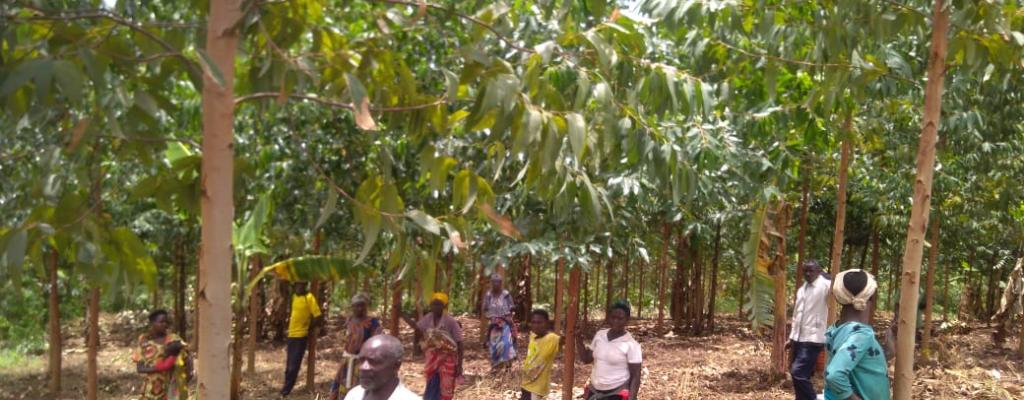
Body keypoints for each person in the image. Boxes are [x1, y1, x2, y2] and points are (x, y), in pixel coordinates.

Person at [824, 269, 890, 400]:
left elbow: (861, 362)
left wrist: (890, 350)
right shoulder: (861, 335)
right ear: (870, 299)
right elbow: (834, 375)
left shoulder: (837, 329)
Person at [577, 301, 642, 400]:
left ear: (627, 320)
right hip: (594, 390)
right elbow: (586, 359)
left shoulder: (632, 345)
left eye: (620, 318)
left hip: (616, 393)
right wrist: (578, 338)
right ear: (609, 318)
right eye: (613, 317)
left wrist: (632, 397)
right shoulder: (600, 335)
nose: (616, 321)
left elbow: (636, 375)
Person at [787, 260, 830, 400]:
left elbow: (836, 287)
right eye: (805, 270)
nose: (808, 273)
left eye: (812, 270)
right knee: (800, 375)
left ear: (818, 271)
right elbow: (796, 316)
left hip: (813, 338)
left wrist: (829, 276)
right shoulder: (802, 289)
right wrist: (791, 338)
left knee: (797, 372)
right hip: (799, 338)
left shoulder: (824, 286)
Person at [331, 293, 385, 400]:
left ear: (366, 306)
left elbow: (377, 341)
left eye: (362, 305)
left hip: (363, 362)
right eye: (357, 305)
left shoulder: (373, 322)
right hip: (347, 360)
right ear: (352, 307)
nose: (360, 308)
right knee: (342, 385)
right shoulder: (349, 321)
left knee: (361, 388)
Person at [414, 292, 464, 400]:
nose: (435, 307)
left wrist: (460, 366)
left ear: (444, 306)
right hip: (432, 359)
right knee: (431, 384)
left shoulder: (450, 321)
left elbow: (459, 344)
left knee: (446, 389)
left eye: (438, 304)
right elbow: (417, 328)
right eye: (433, 304)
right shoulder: (428, 318)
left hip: (447, 360)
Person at [133, 309, 192, 400]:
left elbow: (187, 355)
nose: (165, 324)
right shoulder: (144, 341)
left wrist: (188, 373)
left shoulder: (173, 339)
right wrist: (159, 368)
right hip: (151, 389)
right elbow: (140, 368)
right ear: (152, 323)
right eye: (161, 322)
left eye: (166, 322)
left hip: (172, 388)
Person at [343, 335, 420, 400]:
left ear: (396, 366)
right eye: (361, 360)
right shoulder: (354, 395)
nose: (364, 367)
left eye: (374, 361)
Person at [281, 281, 324, 397]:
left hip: (300, 337)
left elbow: (318, 316)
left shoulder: (309, 298)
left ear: (305, 286)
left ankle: (285, 391)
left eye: (301, 285)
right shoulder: (294, 297)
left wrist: (309, 327)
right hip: (291, 335)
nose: (298, 287)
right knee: (289, 364)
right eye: (296, 285)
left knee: (293, 366)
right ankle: (285, 388)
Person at [520, 309, 560, 400]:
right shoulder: (533, 336)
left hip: (536, 388)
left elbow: (565, 340)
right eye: (533, 322)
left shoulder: (552, 338)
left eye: (539, 322)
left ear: (547, 323)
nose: (536, 326)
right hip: (526, 384)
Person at [482, 273, 517, 372]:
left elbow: (512, 306)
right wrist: (489, 315)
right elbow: (485, 308)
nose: (496, 284)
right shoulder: (488, 295)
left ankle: (508, 368)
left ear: (501, 283)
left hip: (506, 322)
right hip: (494, 323)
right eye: (494, 282)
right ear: (491, 283)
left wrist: (509, 313)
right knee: (495, 345)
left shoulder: (506, 294)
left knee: (507, 344)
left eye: (498, 282)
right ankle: (496, 368)